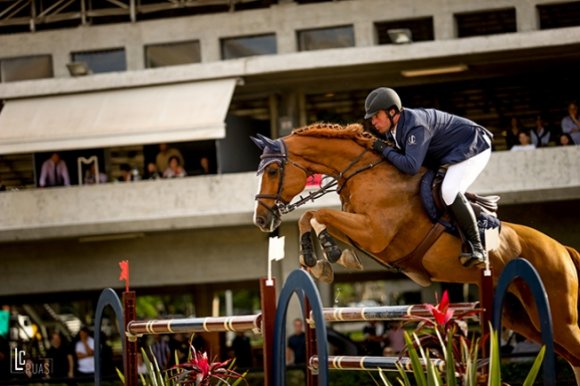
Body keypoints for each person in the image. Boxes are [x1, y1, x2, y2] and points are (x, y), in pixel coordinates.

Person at [365, 87, 493, 267]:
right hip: (450, 154)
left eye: (376, 115)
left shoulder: (415, 125)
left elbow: (411, 166)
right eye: (371, 118)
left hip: (473, 145)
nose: (373, 121)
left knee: (448, 191)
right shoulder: (393, 131)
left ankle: (477, 247)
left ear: (392, 111)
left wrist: (383, 149)